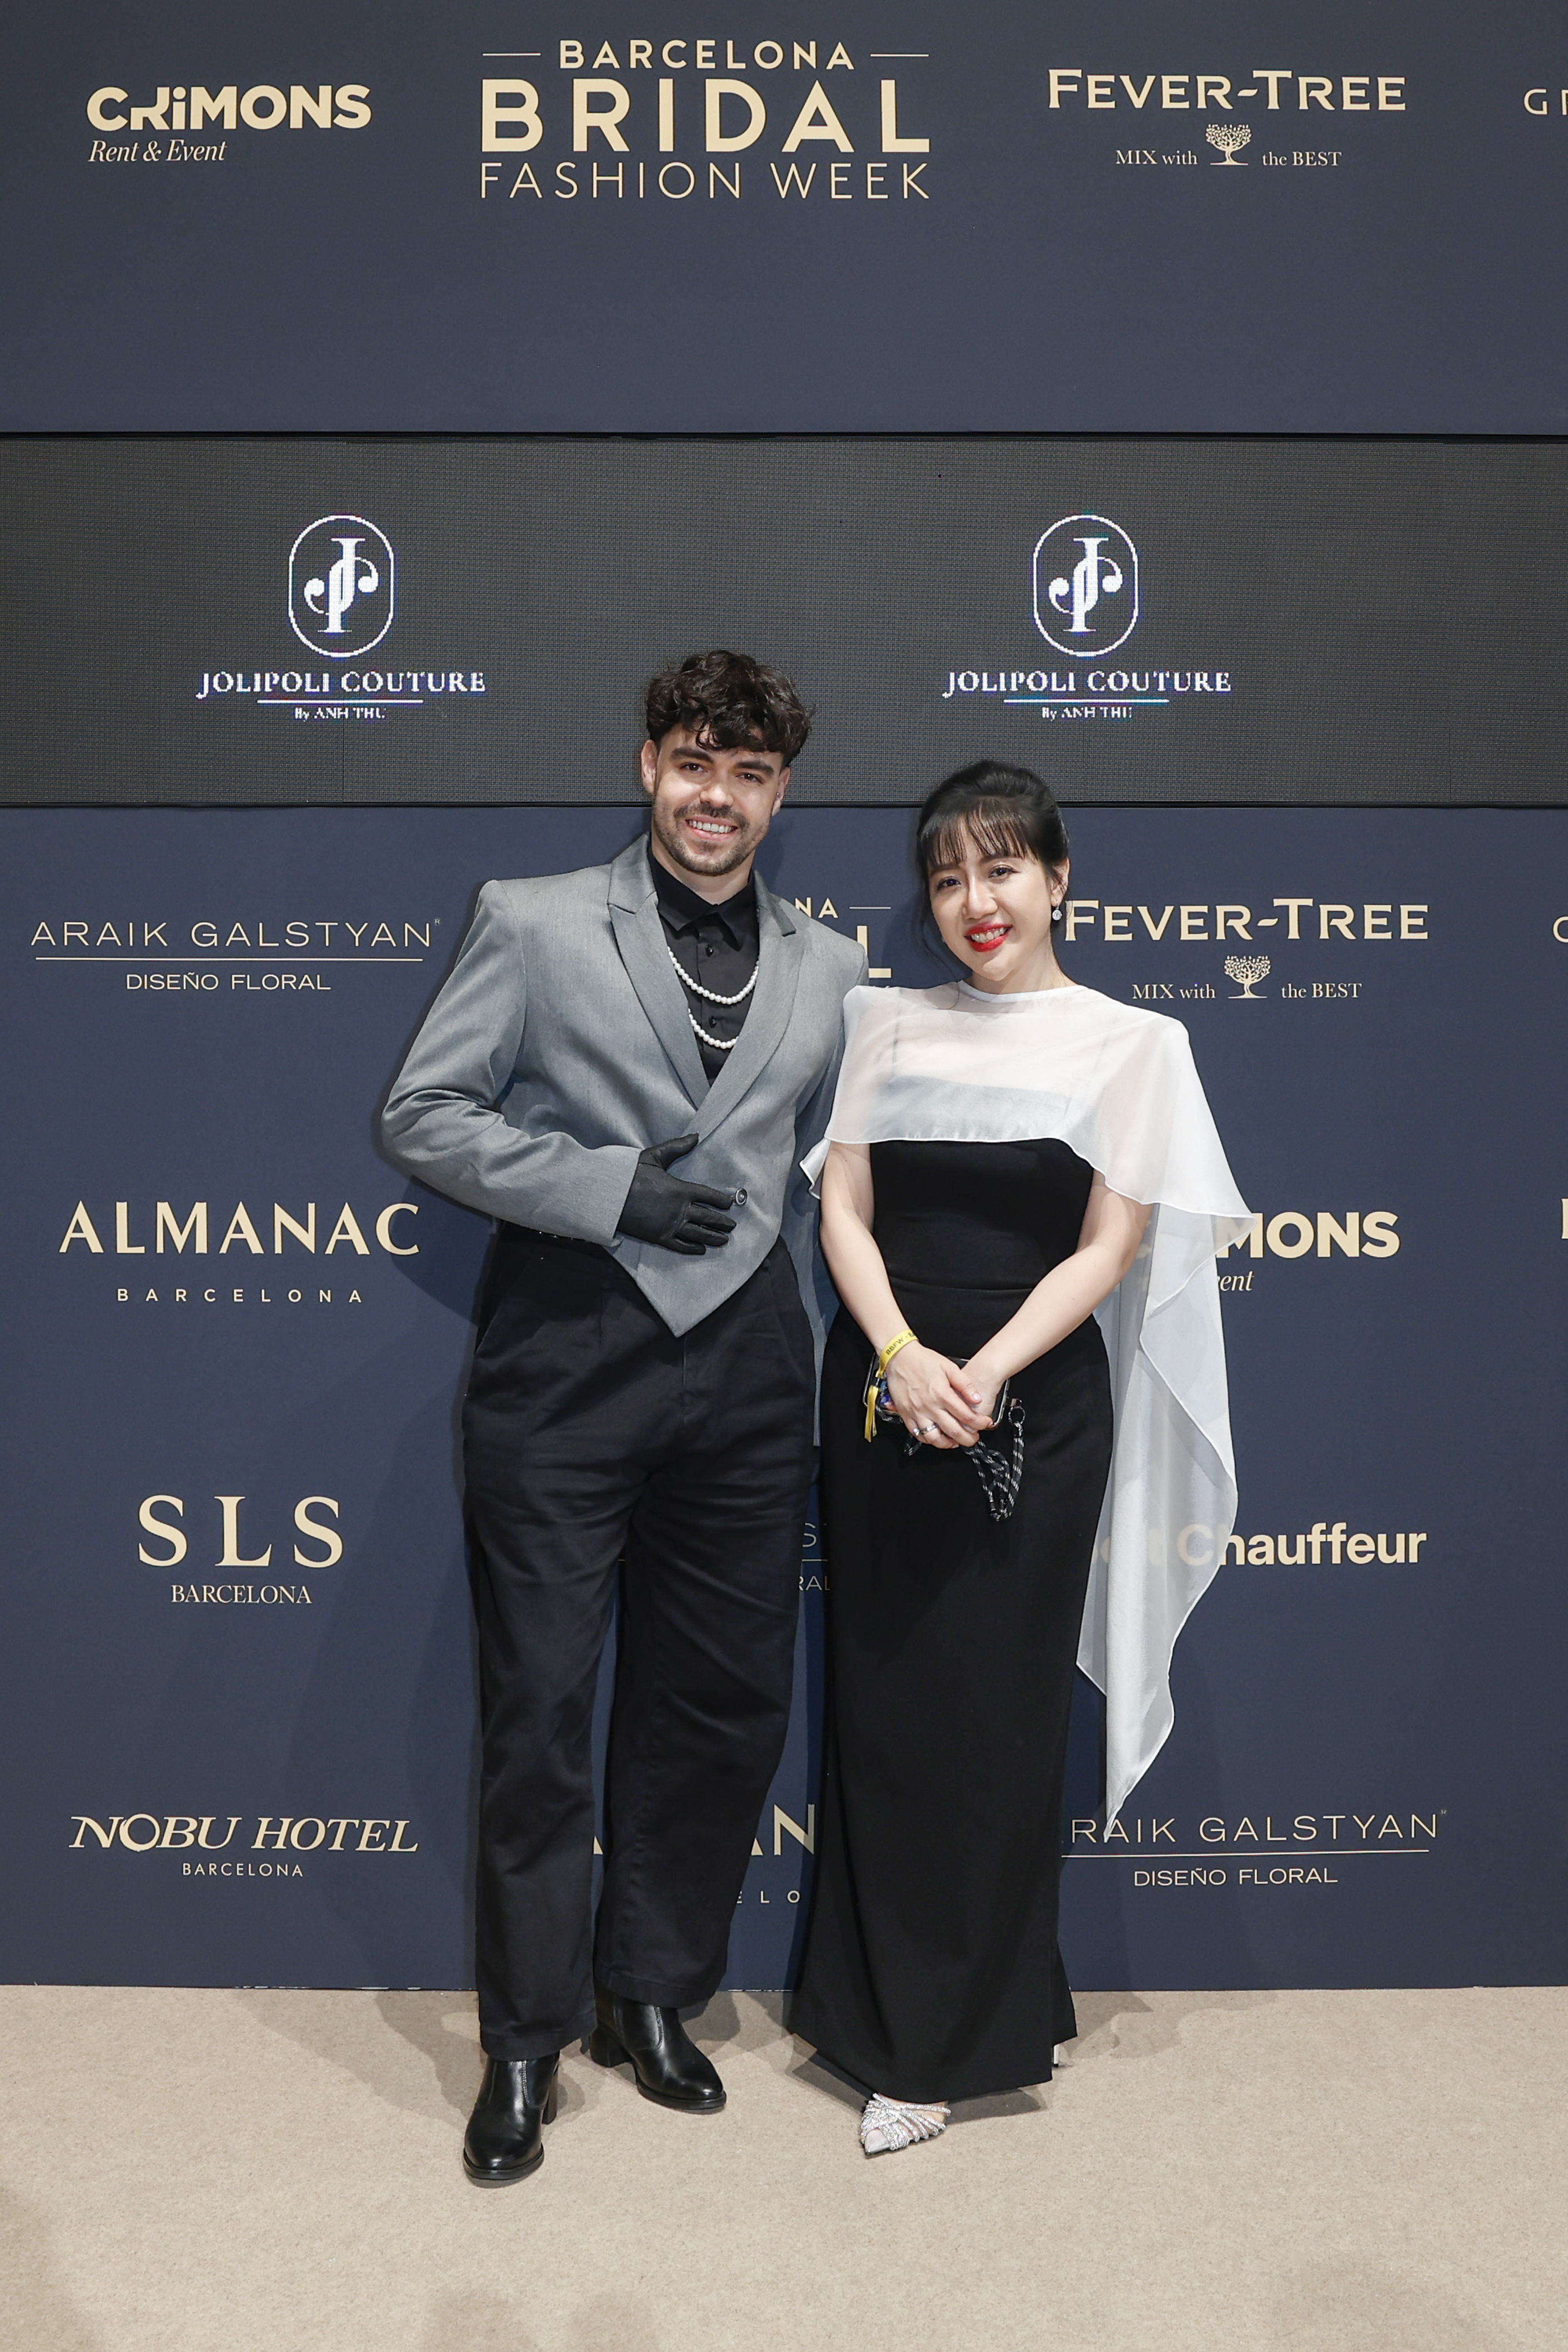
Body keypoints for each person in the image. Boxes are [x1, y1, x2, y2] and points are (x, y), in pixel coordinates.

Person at [381, 651, 865, 2184]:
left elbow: (835, 1164)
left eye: (750, 775)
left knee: (717, 1699)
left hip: (752, 1366)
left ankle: (650, 1992)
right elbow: (422, 1114)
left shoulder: (835, 966)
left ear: (781, 795)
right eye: (693, 764)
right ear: (649, 764)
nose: (718, 798)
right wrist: (603, 1189)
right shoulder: (531, 921)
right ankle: (523, 2041)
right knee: (540, 1710)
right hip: (565, 1354)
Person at [791, 760, 1250, 2156]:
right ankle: (877, 2011)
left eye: (1000, 870)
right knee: (882, 1707)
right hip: (885, 1395)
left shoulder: (1135, 1044)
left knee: (992, 1721)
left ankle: (946, 2046)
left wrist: (983, 1371)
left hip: (1028, 1407)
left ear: (1058, 878)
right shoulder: (881, 1020)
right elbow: (843, 1208)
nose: (973, 902)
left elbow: (1110, 1247)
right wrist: (898, 1356)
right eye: (947, 879)